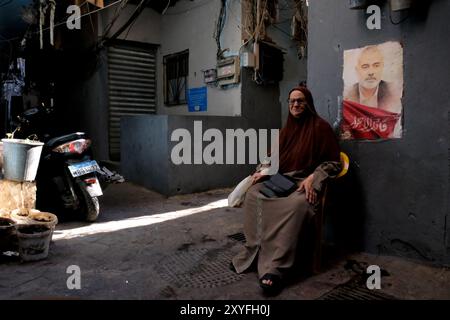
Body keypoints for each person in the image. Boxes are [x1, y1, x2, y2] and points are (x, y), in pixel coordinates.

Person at [230, 86, 341, 295]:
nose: (296, 105)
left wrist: (313, 177)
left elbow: (334, 162)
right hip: (281, 181)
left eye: (300, 101)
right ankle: (254, 254)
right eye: (292, 101)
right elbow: (272, 158)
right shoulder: (286, 130)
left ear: (308, 103)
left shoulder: (320, 127)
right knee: (254, 195)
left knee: (296, 205)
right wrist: (262, 171)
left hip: (304, 183)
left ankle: (276, 268)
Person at [344, 45, 401, 114]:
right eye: (365, 66)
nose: (371, 72)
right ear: (357, 70)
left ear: (382, 67)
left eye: (376, 65)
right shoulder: (347, 95)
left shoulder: (393, 93)